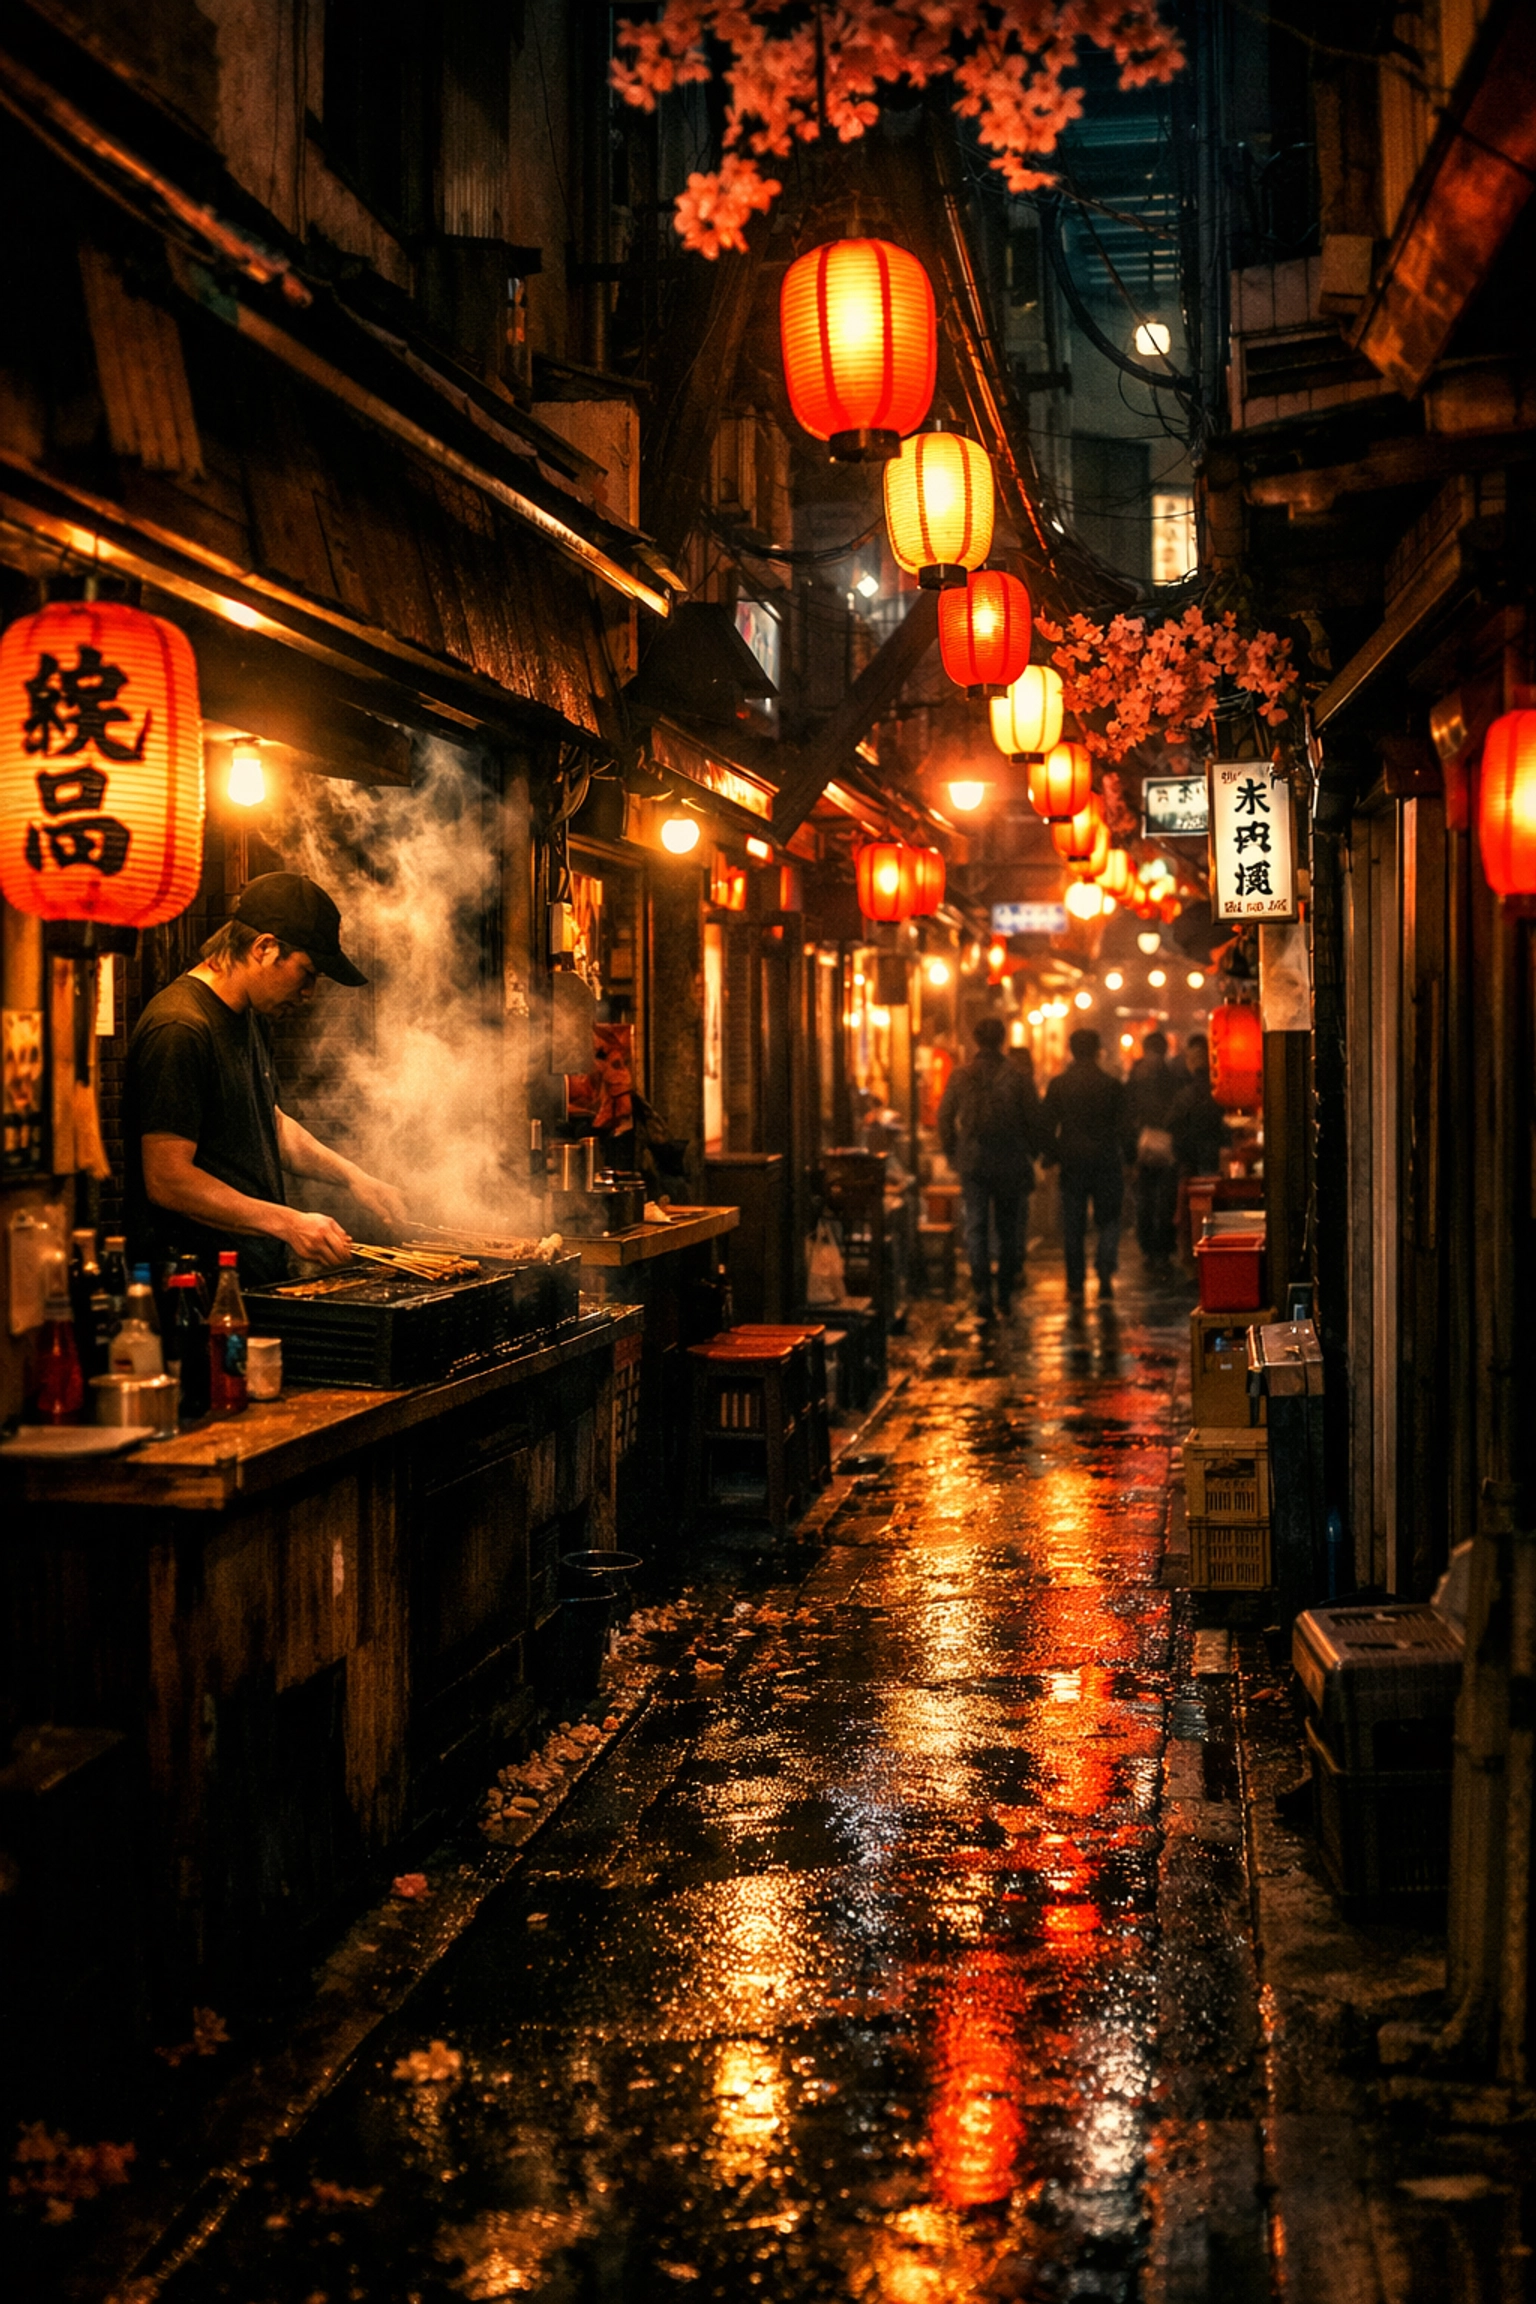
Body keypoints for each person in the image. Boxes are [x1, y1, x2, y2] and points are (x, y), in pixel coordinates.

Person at [125, 873, 409, 1288]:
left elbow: (270, 1124)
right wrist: (288, 1222)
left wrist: (353, 1177)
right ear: (264, 947)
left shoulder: (249, 1018)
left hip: (247, 1279)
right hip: (191, 1289)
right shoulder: (180, 1027)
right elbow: (168, 1179)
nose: (309, 991)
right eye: (307, 972)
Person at [937, 1015, 1042, 1320]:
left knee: (976, 1227)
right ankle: (1005, 1293)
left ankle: (982, 1290)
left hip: (973, 1161)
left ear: (976, 1040)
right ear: (1003, 1039)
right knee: (1008, 1229)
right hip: (1010, 1161)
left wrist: (954, 1153)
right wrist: (1031, 1155)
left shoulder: (961, 1075)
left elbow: (945, 1119)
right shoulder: (1019, 1076)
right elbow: (1033, 1120)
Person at [1041, 1026, 1134, 1302]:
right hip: (1106, 1159)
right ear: (1097, 1051)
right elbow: (1124, 1127)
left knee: (1073, 1224)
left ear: (1071, 1050)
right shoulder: (1111, 1085)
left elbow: (1047, 1125)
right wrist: (1129, 1159)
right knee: (1108, 1219)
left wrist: (1051, 1155)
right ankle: (1105, 1273)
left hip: (1072, 1161)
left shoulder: (1059, 1085)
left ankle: (1075, 1284)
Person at [1125, 1029, 1181, 1270]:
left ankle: (1150, 1249)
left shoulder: (1136, 1076)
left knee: (1147, 1201)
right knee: (1161, 1201)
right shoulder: (1172, 1075)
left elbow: (1127, 1114)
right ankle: (1160, 1250)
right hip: (1165, 1145)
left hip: (1144, 1147)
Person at [1169, 1033, 1229, 1179]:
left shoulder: (1184, 1096)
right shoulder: (1224, 1093)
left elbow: (1173, 1127)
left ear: (1190, 1061)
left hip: (1191, 1167)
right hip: (1221, 1164)